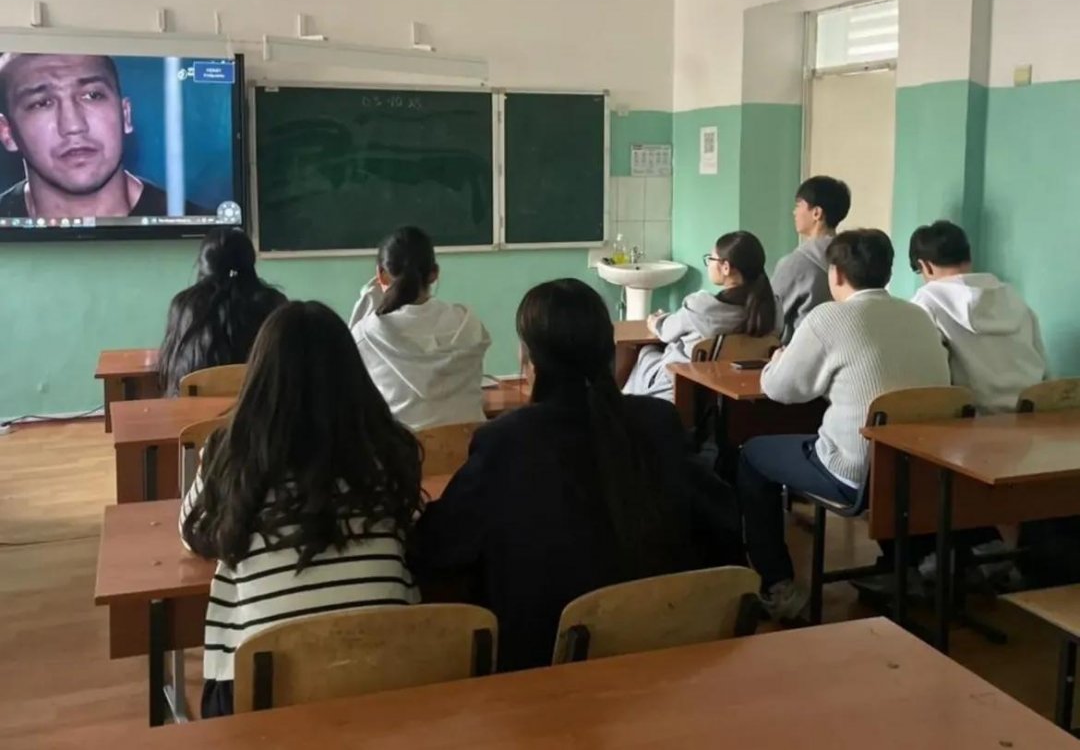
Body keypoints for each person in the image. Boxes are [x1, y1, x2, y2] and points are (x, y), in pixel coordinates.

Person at [414, 278, 737, 671]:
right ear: (609, 350)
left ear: (529, 359)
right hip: (666, 658)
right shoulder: (657, 421)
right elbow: (722, 520)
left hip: (547, 672)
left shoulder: (506, 441)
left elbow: (439, 547)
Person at [180, 300, 423, 717]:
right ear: (353, 375)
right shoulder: (389, 449)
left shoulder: (231, 454)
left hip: (263, 694)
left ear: (260, 377)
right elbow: (409, 523)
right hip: (386, 677)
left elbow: (192, 532)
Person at [738, 229, 950, 620]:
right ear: (887, 272)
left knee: (752, 455)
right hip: (921, 472)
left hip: (855, 474)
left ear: (835, 274)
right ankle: (903, 569)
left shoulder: (829, 318)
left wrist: (777, 361)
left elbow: (781, 390)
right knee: (876, 456)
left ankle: (778, 585)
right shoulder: (918, 316)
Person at [0, 52, 208, 218]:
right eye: (42, 103)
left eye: (92, 95)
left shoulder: (203, 230)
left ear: (125, 115)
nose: (74, 125)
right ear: (7, 133)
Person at [350, 226, 491, 431]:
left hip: (403, 450)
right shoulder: (469, 323)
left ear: (381, 275)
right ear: (434, 274)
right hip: (470, 448)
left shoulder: (366, 335)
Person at [623, 230, 780, 402]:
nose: (709, 264)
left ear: (726, 267)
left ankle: (624, 407)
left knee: (646, 351)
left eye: (711, 259)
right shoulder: (773, 308)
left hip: (680, 385)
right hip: (734, 391)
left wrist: (655, 321)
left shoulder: (701, 307)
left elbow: (666, 331)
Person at [910, 220, 1047, 413]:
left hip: (972, 421)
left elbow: (927, 377)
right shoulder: (1013, 297)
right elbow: (1043, 363)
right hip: (1032, 416)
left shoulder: (926, 302)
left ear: (925, 266)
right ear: (969, 257)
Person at [158, 227, 286, 395]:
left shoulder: (183, 305)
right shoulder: (274, 304)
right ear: (250, 262)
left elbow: (169, 371)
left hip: (194, 409)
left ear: (203, 265)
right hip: (260, 408)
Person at [771, 175, 851, 344]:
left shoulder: (795, 263)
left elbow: (770, 318)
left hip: (802, 351)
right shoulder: (853, 257)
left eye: (798, 205)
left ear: (816, 213)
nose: (794, 212)